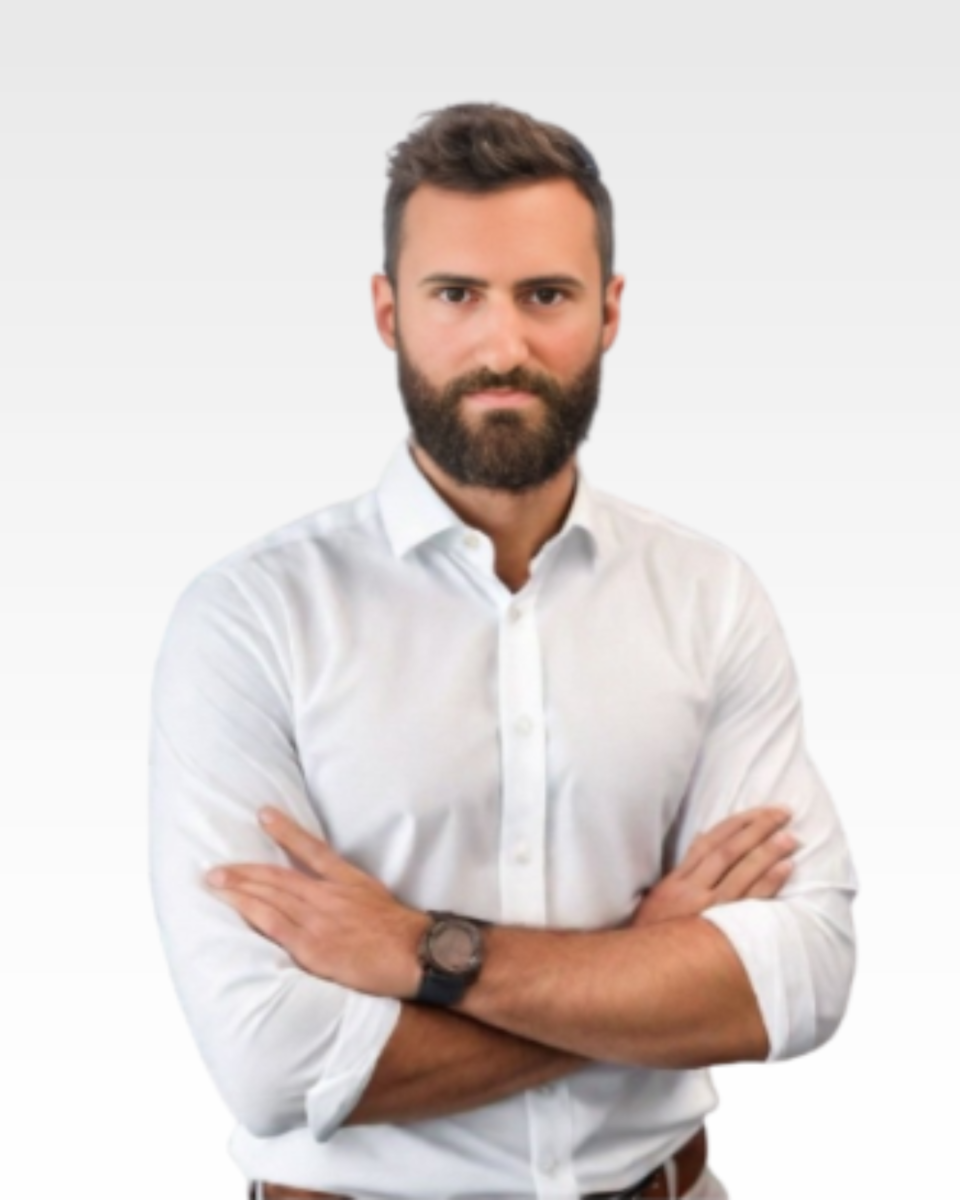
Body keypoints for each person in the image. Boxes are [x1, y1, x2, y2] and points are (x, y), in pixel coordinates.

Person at [148, 102, 858, 1200]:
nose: (502, 346)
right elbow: (275, 1063)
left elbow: (803, 977)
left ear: (610, 310)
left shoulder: (708, 596)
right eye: (455, 295)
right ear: (387, 311)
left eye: (546, 295)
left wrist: (422, 953)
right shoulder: (249, 619)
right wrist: (643, 962)